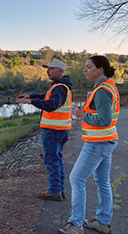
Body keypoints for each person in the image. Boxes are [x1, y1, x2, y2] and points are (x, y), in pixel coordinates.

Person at [59, 56, 119, 234]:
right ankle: (102, 222)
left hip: (98, 143)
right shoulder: (107, 86)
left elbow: (104, 120)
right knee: (102, 182)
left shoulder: (102, 90)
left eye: (89, 67)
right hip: (106, 141)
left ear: (100, 69)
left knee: (76, 179)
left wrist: (80, 114)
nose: (85, 70)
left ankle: (76, 224)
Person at [16, 58, 72, 201]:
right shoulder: (61, 86)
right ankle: (59, 190)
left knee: (52, 160)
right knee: (57, 160)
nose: (47, 71)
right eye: (48, 68)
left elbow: (52, 104)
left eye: (51, 69)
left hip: (53, 130)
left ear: (60, 71)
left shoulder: (59, 87)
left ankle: (54, 191)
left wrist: (31, 101)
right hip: (60, 129)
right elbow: (47, 97)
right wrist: (32, 96)